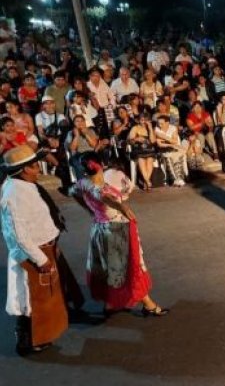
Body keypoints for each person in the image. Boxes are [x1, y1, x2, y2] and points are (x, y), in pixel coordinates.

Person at [69, 152, 169, 317]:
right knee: (130, 267)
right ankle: (148, 305)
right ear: (101, 165)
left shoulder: (83, 183)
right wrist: (124, 208)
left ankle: (110, 304)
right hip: (116, 230)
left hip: (100, 229)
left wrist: (89, 209)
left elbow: (72, 191)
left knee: (111, 268)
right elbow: (106, 198)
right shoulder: (99, 189)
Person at [1, 145, 68, 356]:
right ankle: (26, 341)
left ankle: (39, 336)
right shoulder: (13, 194)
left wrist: (53, 245)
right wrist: (40, 259)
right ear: (22, 170)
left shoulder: (25, 185)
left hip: (44, 248)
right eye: (34, 166)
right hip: (32, 254)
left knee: (43, 298)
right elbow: (19, 234)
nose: (38, 169)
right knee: (29, 299)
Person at [128, 112, 157, 191]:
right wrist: (136, 139)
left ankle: (146, 181)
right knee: (141, 160)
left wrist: (150, 129)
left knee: (150, 159)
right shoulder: (135, 128)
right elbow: (130, 141)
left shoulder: (150, 128)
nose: (144, 122)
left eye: (146, 120)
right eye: (142, 120)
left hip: (149, 150)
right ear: (139, 120)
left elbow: (153, 141)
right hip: (138, 150)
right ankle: (148, 182)